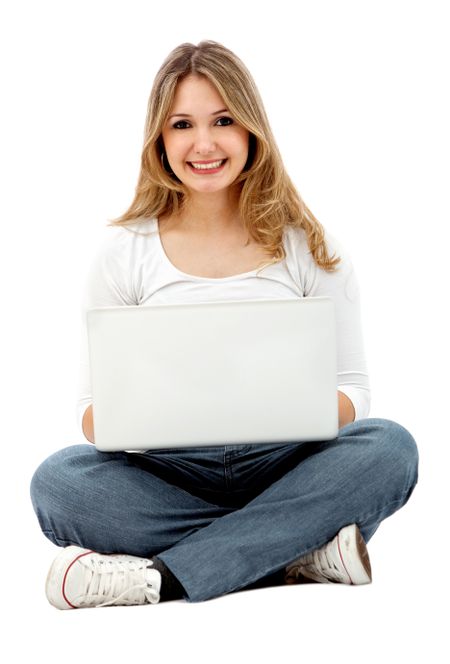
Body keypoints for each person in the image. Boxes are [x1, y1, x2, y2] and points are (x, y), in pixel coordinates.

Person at [30, 40, 419, 609]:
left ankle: (160, 579)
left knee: (390, 447)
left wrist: (281, 407)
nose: (204, 143)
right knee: (59, 483)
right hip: (169, 470)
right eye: (183, 124)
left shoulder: (308, 246)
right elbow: (92, 413)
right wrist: (155, 417)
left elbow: (354, 391)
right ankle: (300, 552)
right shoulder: (121, 254)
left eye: (223, 120)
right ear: (159, 140)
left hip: (284, 461)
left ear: (251, 132)